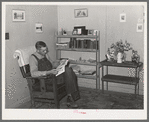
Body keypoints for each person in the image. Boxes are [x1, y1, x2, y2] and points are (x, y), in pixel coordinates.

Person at [29, 41, 80, 108]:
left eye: (46, 50)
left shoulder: (45, 55)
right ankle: (71, 97)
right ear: (37, 50)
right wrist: (48, 72)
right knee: (69, 73)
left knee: (68, 70)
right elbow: (33, 73)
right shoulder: (33, 58)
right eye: (43, 51)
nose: (45, 52)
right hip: (45, 80)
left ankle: (70, 96)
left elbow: (52, 64)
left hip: (53, 75)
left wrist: (60, 63)